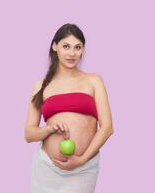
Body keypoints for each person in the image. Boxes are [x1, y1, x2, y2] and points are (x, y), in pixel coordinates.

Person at [24, 23, 114, 193]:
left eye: (77, 47)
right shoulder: (41, 86)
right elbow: (29, 134)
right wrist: (49, 129)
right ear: (55, 46)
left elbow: (107, 128)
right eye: (66, 46)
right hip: (46, 167)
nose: (72, 53)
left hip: (84, 168)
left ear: (83, 50)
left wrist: (81, 160)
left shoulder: (94, 80)